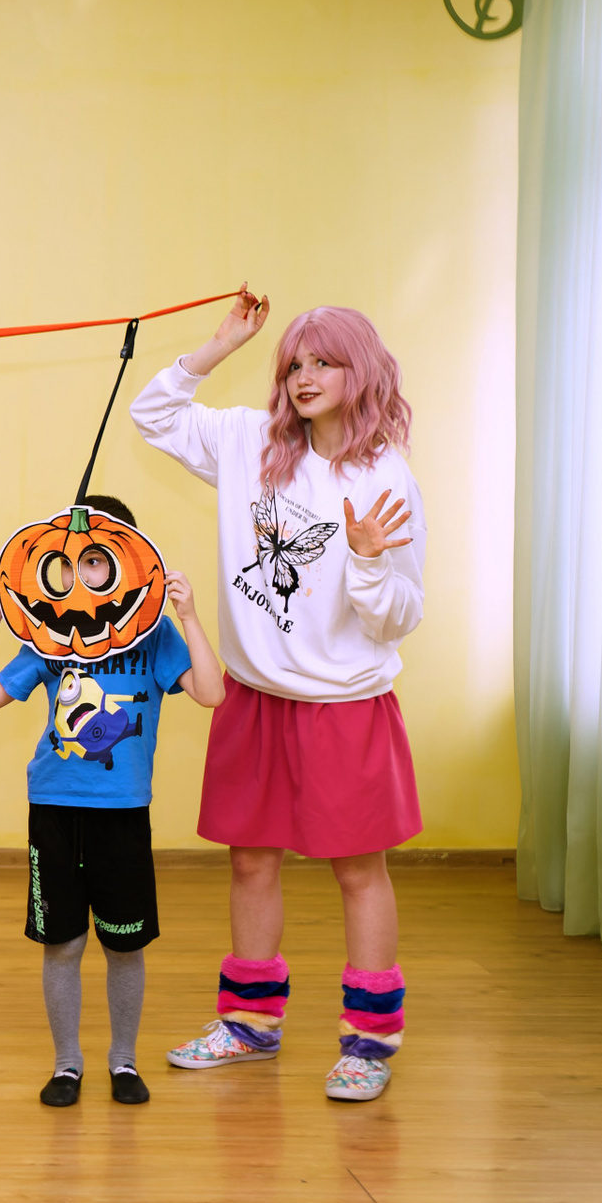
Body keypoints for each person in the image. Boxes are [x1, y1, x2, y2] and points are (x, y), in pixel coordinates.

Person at [130, 291, 424, 1103]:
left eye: (325, 361)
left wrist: (370, 560)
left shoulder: (384, 478)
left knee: (358, 870)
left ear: (360, 371)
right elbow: (152, 414)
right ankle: (250, 1024)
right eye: (295, 362)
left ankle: (369, 1041)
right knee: (251, 858)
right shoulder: (249, 441)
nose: (305, 375)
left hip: (345, 702)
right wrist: (220, 344)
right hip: (256, 695)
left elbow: (400, 615)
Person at [0, 495, 225, 1106]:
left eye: (94, 560)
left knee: (123, 943)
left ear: (128, 561)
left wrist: (189, 616)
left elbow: (211, 692)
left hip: (123, 811)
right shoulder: (51, 636)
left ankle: (123, 1062)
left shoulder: (155, 634)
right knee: (63, 943)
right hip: (55, 807)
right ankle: (67, 1066)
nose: (79, 574)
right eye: (70, 563)